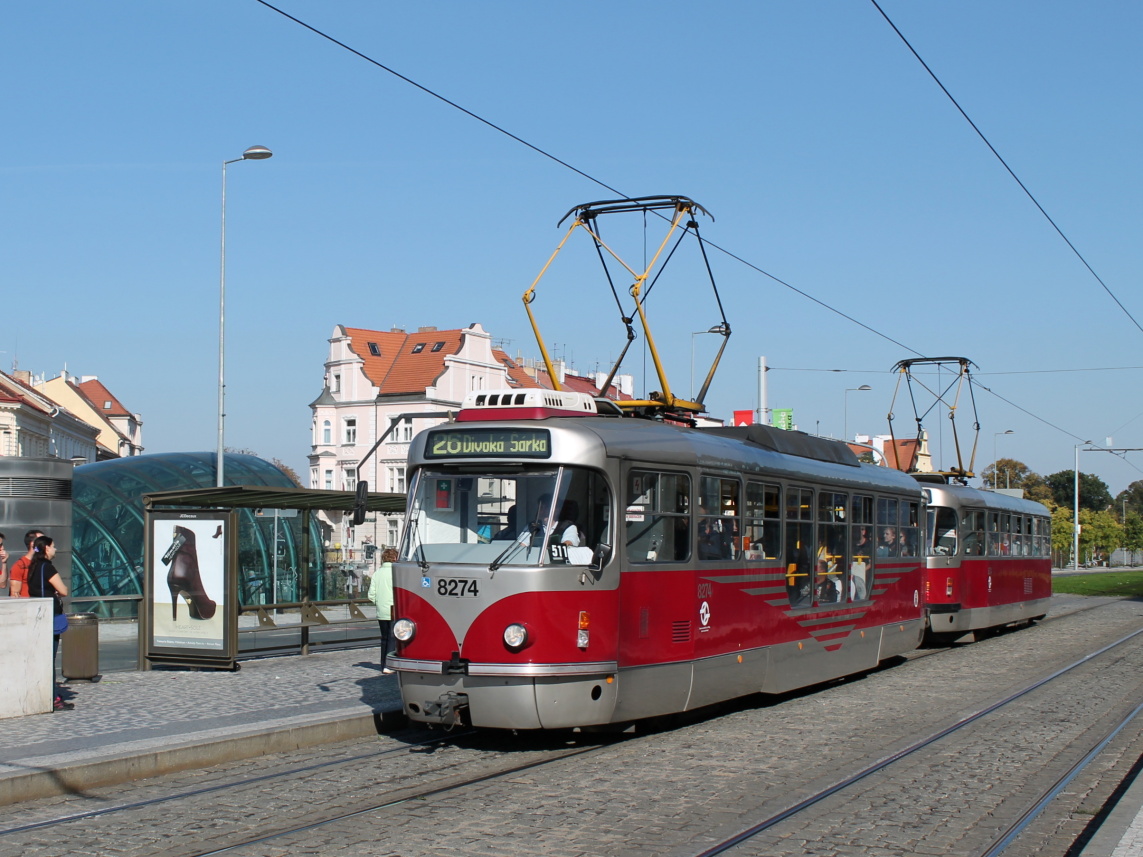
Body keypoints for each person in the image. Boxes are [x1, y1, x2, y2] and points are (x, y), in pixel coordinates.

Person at [26, 535, 72, 711]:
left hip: (37, 616)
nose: (56, 549)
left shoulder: (33, 567)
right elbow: (63, 590)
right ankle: (53, 698)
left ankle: (47, 695)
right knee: (49, 659)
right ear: (46, 548)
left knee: (42, 658)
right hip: (50, 617)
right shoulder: (48, 567)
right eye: (53, 546)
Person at [368, 547, 397, 675]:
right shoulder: (396, 573)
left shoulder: (377, 573)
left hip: (381, 610)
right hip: (394, 609)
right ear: (394, 558)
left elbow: (371, 595)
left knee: (384, 638)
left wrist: (379, 603)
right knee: (393, 638)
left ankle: (383, 664)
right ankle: (389, 665)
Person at [10, 528, 45, 598]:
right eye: (42, 540)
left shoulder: (43, 564)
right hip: (27, 606)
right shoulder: (20, 565)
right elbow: (14, 595)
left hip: (42, 605)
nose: (45, 544)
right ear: (33, 544)